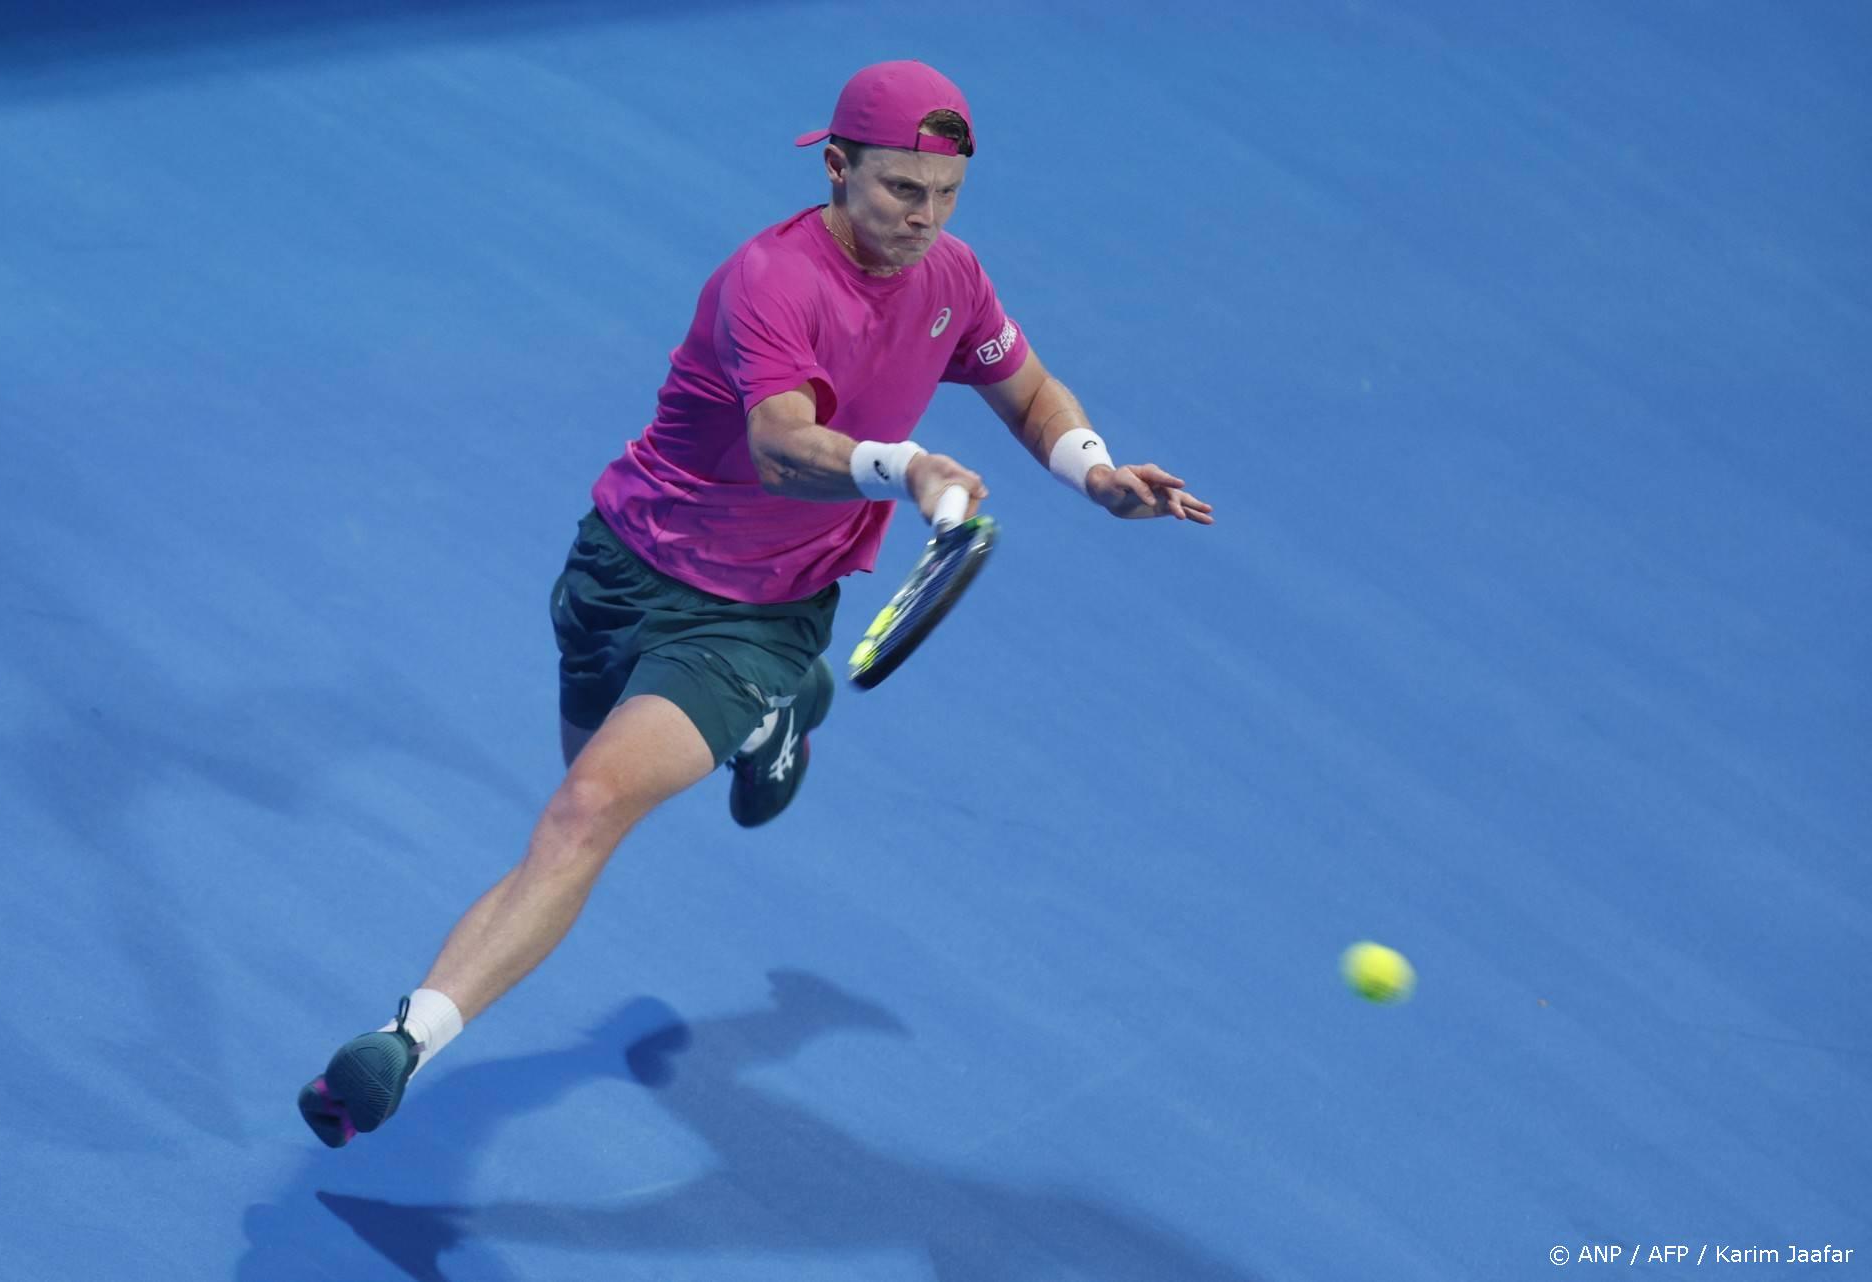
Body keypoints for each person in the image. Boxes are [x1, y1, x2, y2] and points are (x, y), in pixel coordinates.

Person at [298, 59, 1213, 1148]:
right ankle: (779, 717)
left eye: (946, 196)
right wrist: (910, 467)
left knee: (584, 814)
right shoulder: (770, 282)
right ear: (837, 168)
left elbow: (1025, 388)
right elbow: (783, 449)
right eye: (899, 192)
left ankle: (404, 1039)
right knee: (578, 778)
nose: (924, 219)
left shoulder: (954, 280)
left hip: (757, 613)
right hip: (620, 568)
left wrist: (1094, 470)